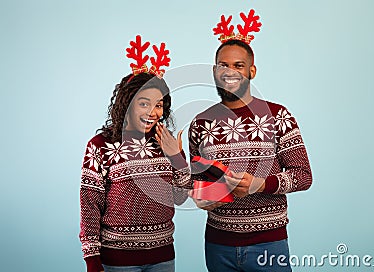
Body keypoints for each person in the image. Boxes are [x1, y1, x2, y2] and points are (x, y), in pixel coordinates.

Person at [189, 10, 312, 272]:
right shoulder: (201, 122)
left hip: (268, 245)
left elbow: (303, 176)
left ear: (252, 71)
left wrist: (260, 184)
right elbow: (196, 180)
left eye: (238, 65)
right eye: (223, 65)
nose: (229, 71)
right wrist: (200, 196)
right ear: (214, 70)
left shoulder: (278, 115)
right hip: (218, 245)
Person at [79, 36, 190, 272]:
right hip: (117, 261)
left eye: (159, 105)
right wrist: (92, 260)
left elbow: (180, 197)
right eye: (144, 103)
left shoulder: (165, 143)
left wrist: (177, 157)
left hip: (163, 256)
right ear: (127, 104)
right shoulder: (100, 146)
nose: (153, 112)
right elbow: (90, 206)